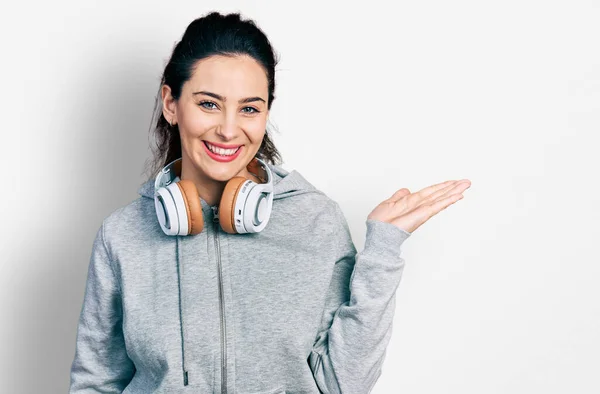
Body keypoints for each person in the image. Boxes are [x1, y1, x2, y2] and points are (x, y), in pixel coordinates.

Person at [68, 11, 471, 394]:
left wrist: (383, 249)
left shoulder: (316, 221)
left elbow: (343, 383)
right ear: (172, 104)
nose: (228, 130)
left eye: (248, 108)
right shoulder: (121, 235)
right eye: (209, 103)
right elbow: (95, 382)